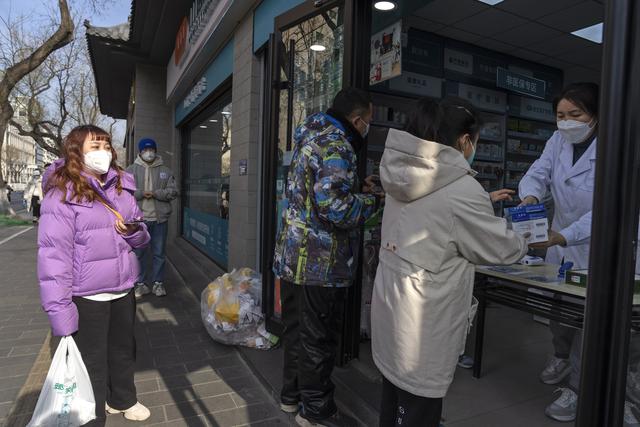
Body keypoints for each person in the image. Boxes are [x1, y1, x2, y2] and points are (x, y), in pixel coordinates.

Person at [371, 97, 529, 427]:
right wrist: (528, 233)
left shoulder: (401, 173)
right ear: (464, 141)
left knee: (394, 402)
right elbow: (501, 249)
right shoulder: (461, 188)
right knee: (418, 410)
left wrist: (482, 201)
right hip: (423, 324)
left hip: (392, 308)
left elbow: (432, 215)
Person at [273, 87, 382, 427]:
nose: (368, 129)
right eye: (368, 123)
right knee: (318, 340)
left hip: (293, 257)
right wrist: (375, 201)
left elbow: (315, 192)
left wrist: (354, 188)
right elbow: (335, 208)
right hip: (320, 263)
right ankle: (317, 412)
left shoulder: (312, 136)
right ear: (357, 119)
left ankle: (291, 397)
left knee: (296, 333)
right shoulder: (337, 145)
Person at [37, 125, 151, 426]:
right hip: (86, 296)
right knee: (91, 362)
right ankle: (92, 416)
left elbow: (142, 235)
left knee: (124, 350)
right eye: (94, 146)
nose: (103, 152)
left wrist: (135, 231)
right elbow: (53, 258)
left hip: (123, 289)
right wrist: (60, 311)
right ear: (76, 151)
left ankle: (123, 398)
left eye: (106, 145)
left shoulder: (121, 186)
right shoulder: (61, 195)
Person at [127, 138, 178, 298]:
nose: (149, 153)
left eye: (151, 150)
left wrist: (156, 193)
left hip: (159, 219)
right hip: (139, 220)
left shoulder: (166, 171)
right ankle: (140, 284)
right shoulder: (130, 170)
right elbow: (124, 193)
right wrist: (142, 193)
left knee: (159, 253)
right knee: (139, 253)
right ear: (140, 152)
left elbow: (173, 191)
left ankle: (158, 283)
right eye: (145, 150)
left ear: (155, 151)